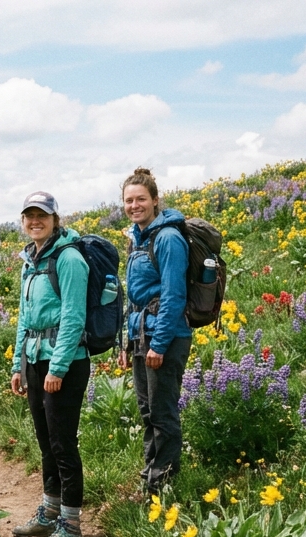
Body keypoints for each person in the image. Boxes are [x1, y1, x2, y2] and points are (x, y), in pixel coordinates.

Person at [8, 192, 90, 537]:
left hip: (66, 362)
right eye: (29, 215)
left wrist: (58, 366)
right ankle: (49, 511)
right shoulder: (30, 260)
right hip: (35, 359)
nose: (34, 221)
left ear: (56, 219)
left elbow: (74, 316)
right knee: (46, 442)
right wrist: (17, 364)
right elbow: (25, 317)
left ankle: (71, 526)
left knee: (62, 442)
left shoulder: (69, 259)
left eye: (41, 215)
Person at [120, 167, 191, 495]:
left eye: (141, 199)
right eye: (129, 200)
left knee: (162, 412)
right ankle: (152, 476)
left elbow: (174, 295)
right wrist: (127, 340)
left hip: (165, 336)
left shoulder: (168, 238)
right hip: (141, 336)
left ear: (155, 200)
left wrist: (159, 345)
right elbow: (134, 298)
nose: (135, 205)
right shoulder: (138, 238)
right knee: (148, 411)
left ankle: (163, 484)